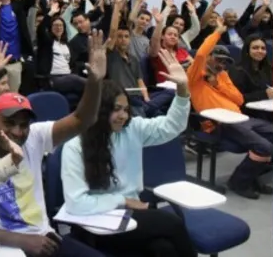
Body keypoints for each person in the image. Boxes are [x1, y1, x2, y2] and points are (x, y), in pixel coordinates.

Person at [0, 31, 108, 257]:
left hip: (44, 238)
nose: (17, 131)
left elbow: (82, 119)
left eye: (23, 124)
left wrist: (95, 81)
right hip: (2, 248)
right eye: (9, 123)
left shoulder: (34, 137)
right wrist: (22, 240)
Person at [60, 51, 195, 257]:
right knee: (173, 224)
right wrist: (123, 200)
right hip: (95, 222)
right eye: (116, 109)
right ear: (100, 109)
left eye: (125, 109)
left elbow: (172, 126)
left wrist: (183, 90)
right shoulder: (75, 146)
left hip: (129, 215)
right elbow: (77, 203)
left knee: (163, 250)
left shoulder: (131, 129)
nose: (123, 115)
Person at [188, 18, 273, 199]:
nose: (221, 64)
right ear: (210, 58)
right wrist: (218, 32)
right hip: (220, 124)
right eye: (217, 59)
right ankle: (239, 182)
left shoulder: (223, 75)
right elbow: (201, 54)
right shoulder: (195, 76)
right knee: (265, 147)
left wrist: (218, 82)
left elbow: (239, 98)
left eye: (225, 61)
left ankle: (251, 176)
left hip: (241, 119)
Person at [229, 34, 273, 106]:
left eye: (263, 48)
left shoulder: (267, 68)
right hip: (247, 111)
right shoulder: (238, 71)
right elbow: (238, 98)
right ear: (247, 50)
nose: (260, 51)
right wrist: (264, 94)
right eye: (255, 48)